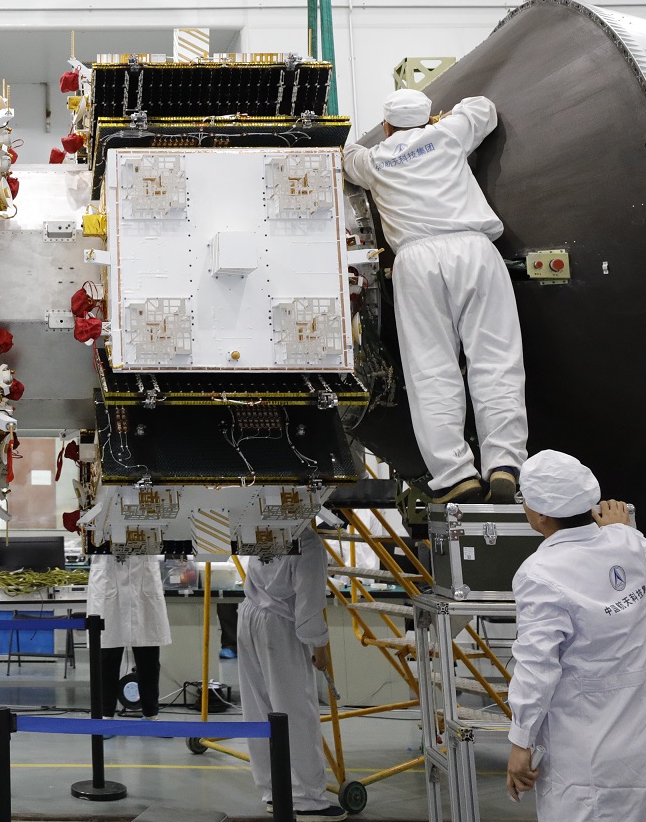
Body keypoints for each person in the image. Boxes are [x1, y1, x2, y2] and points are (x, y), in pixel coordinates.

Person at [342, 87, 528, 504]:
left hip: (416, 261)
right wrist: (443, 121)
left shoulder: (374, 161)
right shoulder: (448, 134)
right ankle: (504, 463)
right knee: (496, 358)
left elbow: (345, 156)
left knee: (431, 368)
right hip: (473, 250)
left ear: (386, 126)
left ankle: (455, 474)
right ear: (428, 118)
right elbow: (484, 108)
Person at [505, 450, 646, 822]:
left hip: (583, 755)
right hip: (641, 747)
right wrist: (620, 528)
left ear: (540, 514)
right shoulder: (631, 546)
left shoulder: (539, 573)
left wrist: (521, 741)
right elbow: (625, 541)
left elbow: (537, 668)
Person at [239, 530, 345, 820]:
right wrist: (320, 645)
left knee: (260, 711)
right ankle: (307, 799)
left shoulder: (263, 527)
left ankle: (273, 791)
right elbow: (309, 603)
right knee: (295, 712)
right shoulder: (308, 542)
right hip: (280, 625)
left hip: (249, 616)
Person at [86, 552, 171, 720]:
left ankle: (151, 715)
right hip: (107, 576)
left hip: (143, 576)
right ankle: (105, 717)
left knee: (148, 657)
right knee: (107, 656)